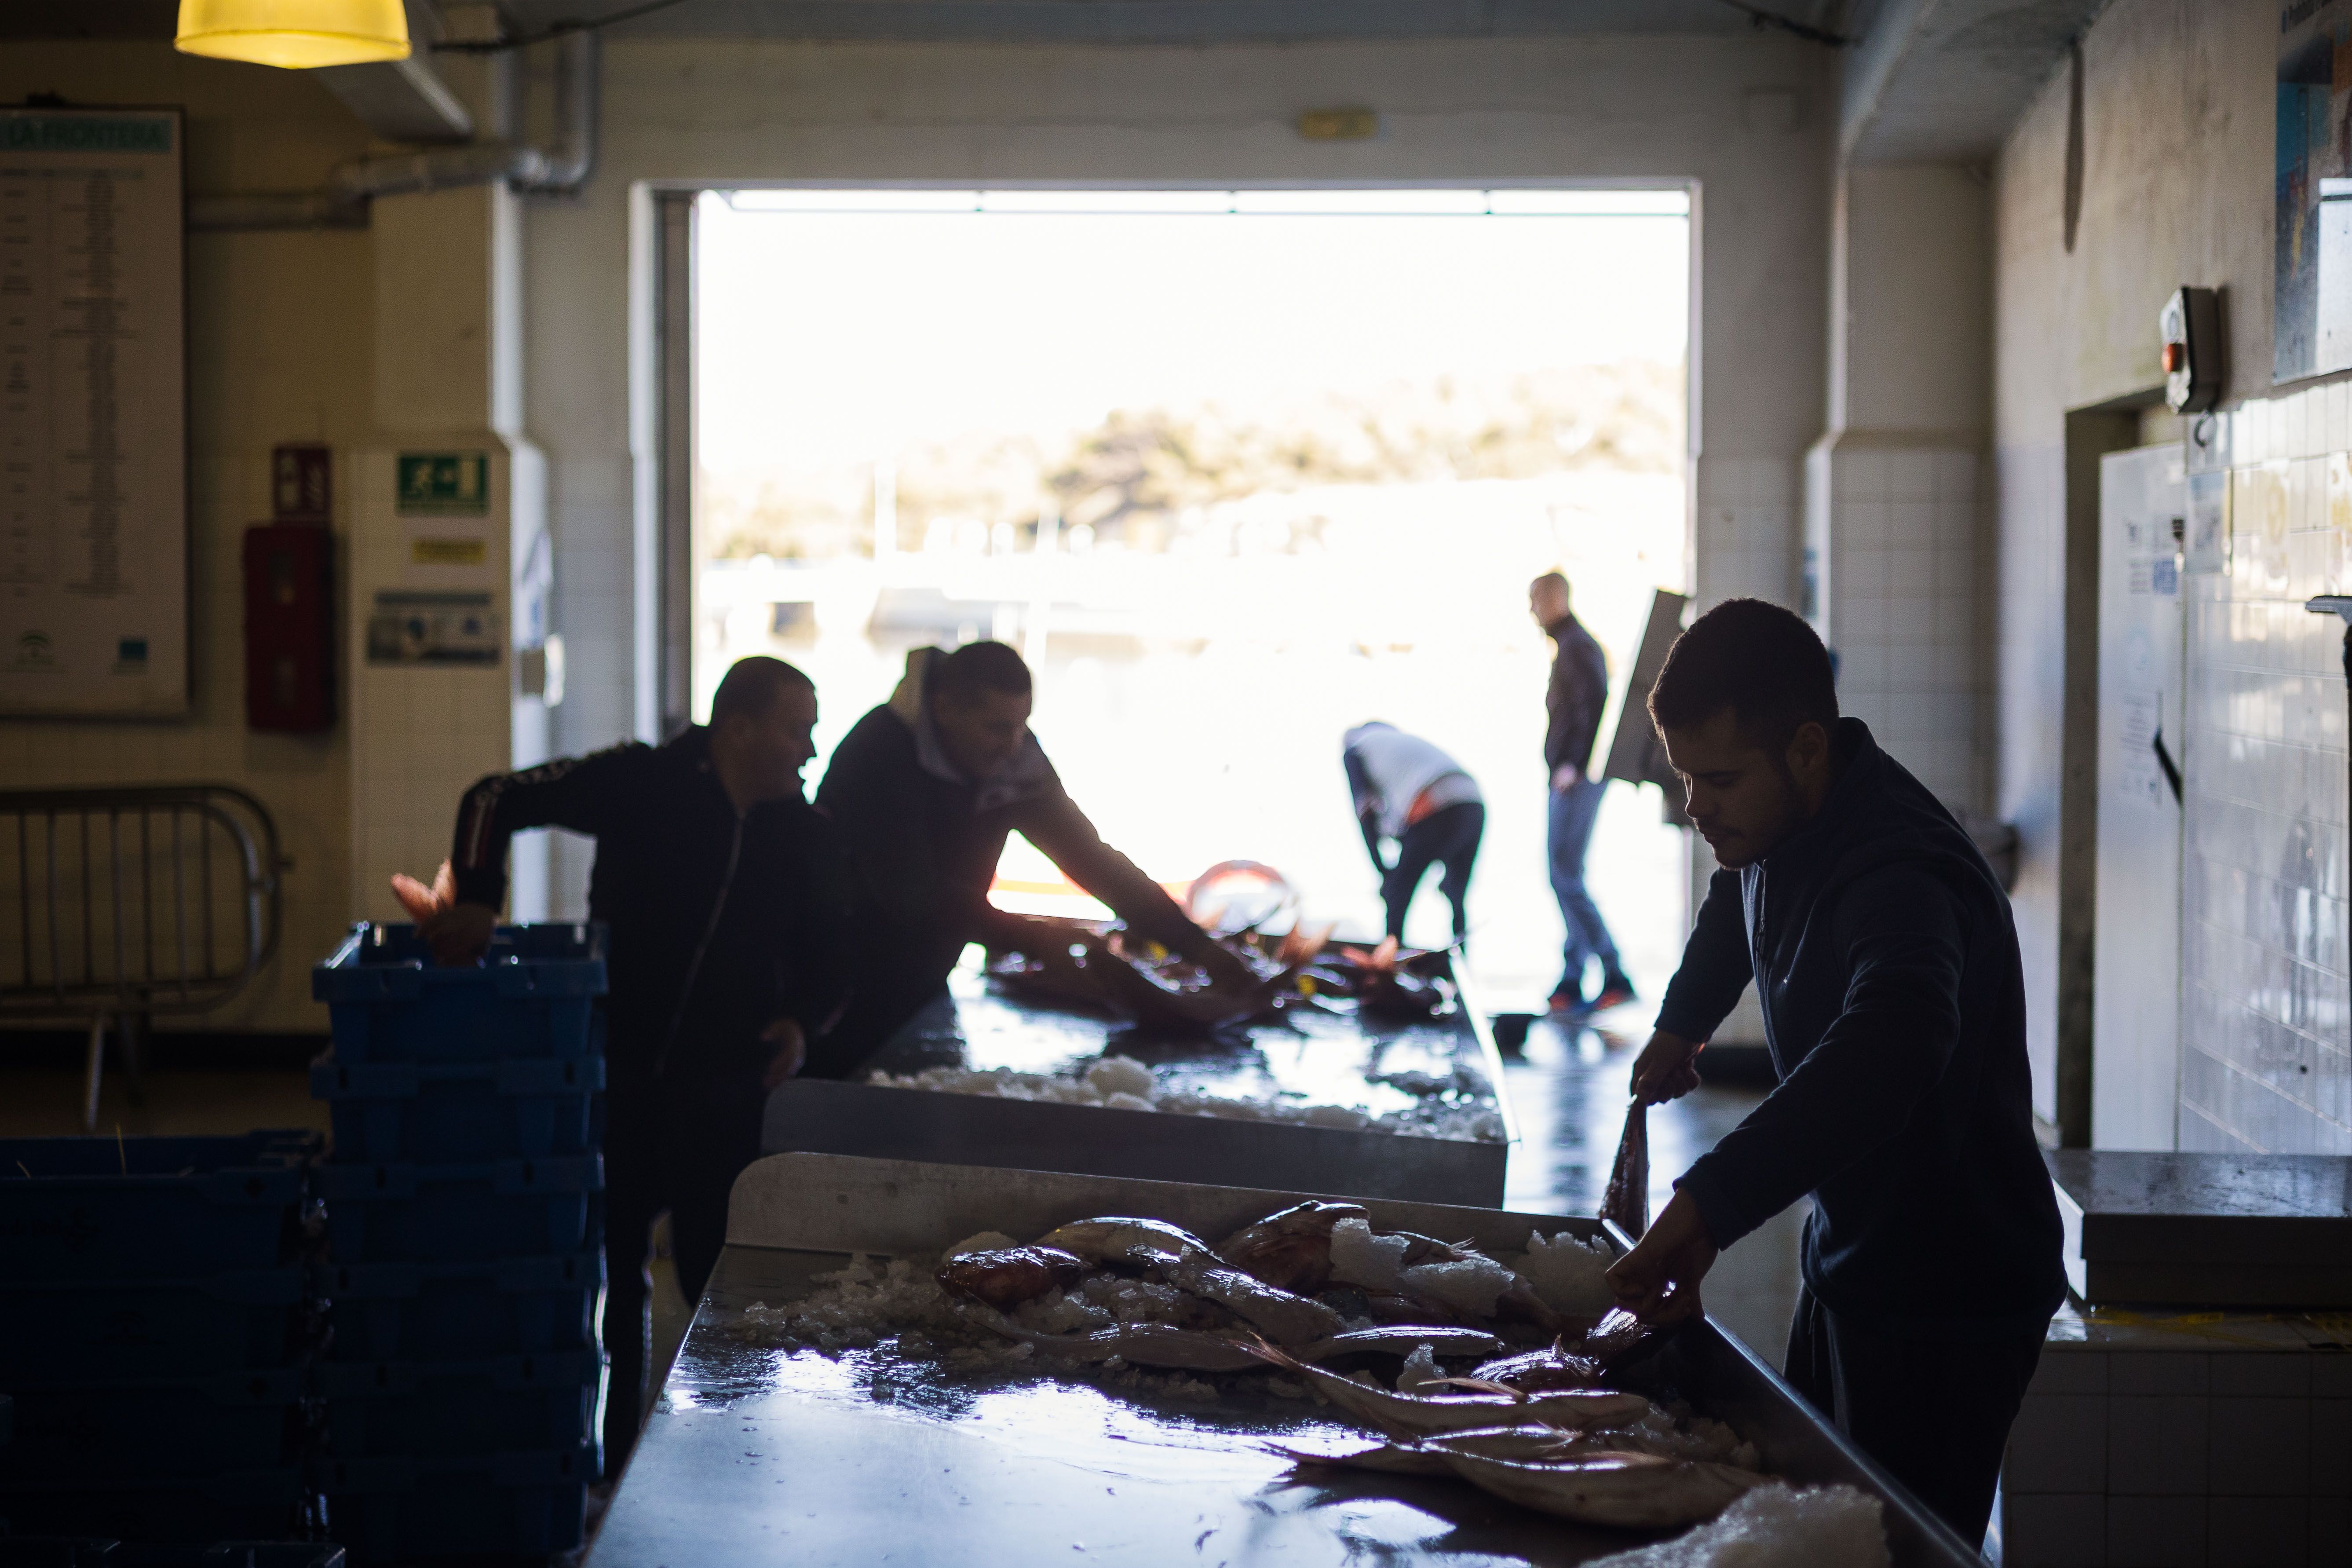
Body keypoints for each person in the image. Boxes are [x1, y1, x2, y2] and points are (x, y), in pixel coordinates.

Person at [1603, 599, 2064, 1548]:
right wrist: (1684, 1023)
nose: (1697, 810)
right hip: (1850, 1252)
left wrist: (1713, 1199)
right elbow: (1739, 893)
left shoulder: (1903, 874)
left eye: (1717, 780)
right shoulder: (1777, 823)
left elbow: (1892, 1044)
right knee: (1801, 1525)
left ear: (1805, 748)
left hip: (1948, 1301)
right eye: (1686, 779)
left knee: (1885, 1549)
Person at [397, 656, 852, 1477]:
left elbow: (841, 949)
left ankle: (721, 1451)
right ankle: (607, 1455)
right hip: (617, 1072)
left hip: (725, 1085)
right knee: (613, 1260)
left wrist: (803, 1024)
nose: (810, 749)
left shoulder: (804, 832)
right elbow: (492, 798)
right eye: (797, 728)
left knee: (719, 1266)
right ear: (738, 728)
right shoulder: (643, 781)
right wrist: (477, 897)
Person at [809, 640, 1256, 1078]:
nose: (1012, 744)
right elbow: (910, 893)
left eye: (1021, 726)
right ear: (944, 709)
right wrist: (1036, 940)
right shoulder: (878, 754)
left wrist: (1196, 946)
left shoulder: (1013, 758)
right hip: (837, 981)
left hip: (926, 978)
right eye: (996, 727)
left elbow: (1091, 858)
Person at [1531, 570, 1633, 1013]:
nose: (1531, 611)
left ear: (1555, 599)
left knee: (1563, 876)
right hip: (1573, 774)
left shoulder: (1576, 647)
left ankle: (1614, 972)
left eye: (1535, 600)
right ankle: (1572, 978)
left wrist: (1572, 762)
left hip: (1576, 776)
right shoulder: (1572, 646)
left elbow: (1592, 703)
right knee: (1567, 874)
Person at [1340, 721, 1483, 944]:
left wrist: (1384, 874)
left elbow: (1365, 813)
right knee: (1457, 896)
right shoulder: (1396, 744)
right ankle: (1460, 963)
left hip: (1435, 802)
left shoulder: (1354, 748)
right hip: (1474, 802)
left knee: (1397, 896)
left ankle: (1390, 962)